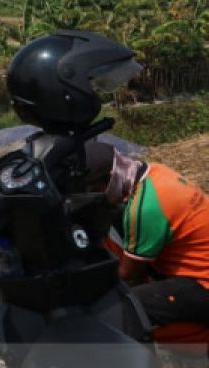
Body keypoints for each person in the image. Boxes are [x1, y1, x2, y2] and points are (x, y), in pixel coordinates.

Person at [86, 140, 209, 353]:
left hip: (203, 283)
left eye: (92, 188)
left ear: (107, 179)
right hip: (200, 267)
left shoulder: (145, 208)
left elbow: (127, 274)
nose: (91, 194)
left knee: (122, 309)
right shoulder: (156, 172)